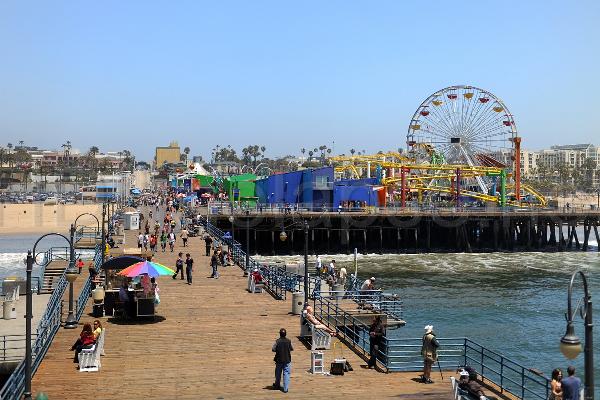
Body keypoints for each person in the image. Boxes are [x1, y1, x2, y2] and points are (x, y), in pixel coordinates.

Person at [272, 328, 293, 393]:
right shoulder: (289, 341)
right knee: (286, 373)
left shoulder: (277, 341)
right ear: (285, 334)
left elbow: (273, 349)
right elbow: (291, 349)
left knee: (278, 373)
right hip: (287, 359)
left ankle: (277, 384)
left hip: (279, 360)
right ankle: (285, 388)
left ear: (280, 334)